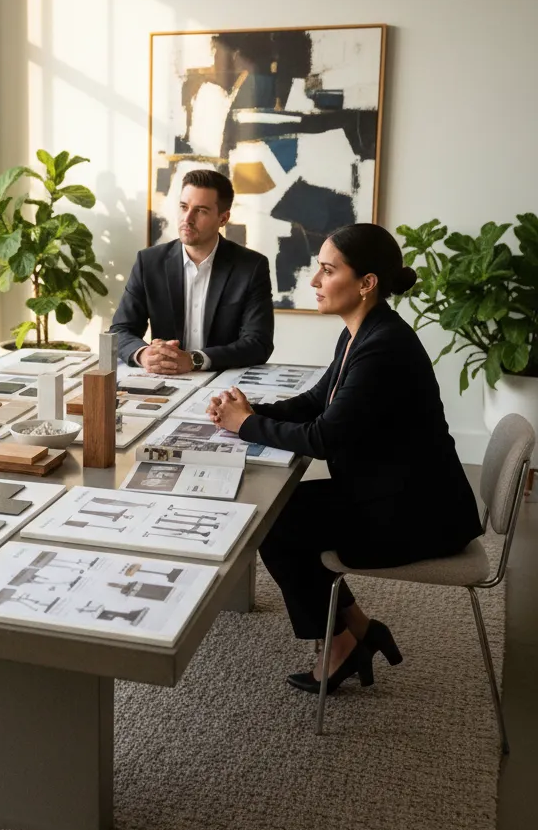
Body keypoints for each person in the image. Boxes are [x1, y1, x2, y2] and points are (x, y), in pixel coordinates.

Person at [209, 223, 483, 693]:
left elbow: (323, 438)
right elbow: (319, 401)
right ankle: (356, 629)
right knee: (279, 514)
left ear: (367, 283)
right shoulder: (363, 332)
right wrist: (249, 412)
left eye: (328, 270)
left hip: (419, 515)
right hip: (391, 493)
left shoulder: (384, 348)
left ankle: (340, 646)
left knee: (274, 524)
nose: (315, 281)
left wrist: (246, 425)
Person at [110, 169, 273, 374]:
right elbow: (120, 330)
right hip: (164, 379)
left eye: (201, 211)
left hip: (221, 383)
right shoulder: (149, 262)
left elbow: (258, 343)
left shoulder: (250, 267)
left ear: (223, 219)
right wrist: (144, 354)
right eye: (183, 207)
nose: (187, 218)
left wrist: (194, 360)